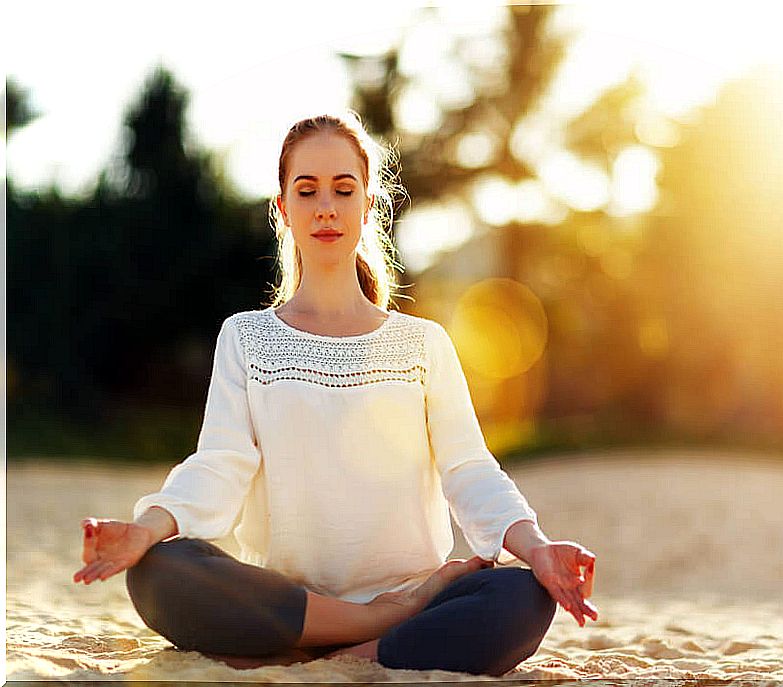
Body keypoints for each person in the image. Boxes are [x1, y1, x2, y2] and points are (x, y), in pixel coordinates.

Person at [73, 112, 598, 676]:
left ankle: (344, 643)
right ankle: (374, 627)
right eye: (308, 190)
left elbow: (468, 468)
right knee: (159, 572)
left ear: (367, 206)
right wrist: (145, 530)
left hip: (411, 594)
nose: (326, 206)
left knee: (523, 596)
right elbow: (220, 464)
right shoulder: (245, 337)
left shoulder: (422, 344)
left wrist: (539, 550)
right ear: (283, 210)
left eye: (343, 190)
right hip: (289, 600)